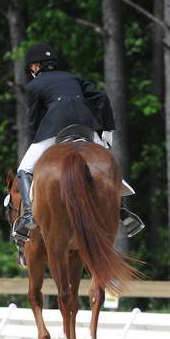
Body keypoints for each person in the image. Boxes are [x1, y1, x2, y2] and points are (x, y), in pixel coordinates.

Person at [13, 42, 144, 239]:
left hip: (55, 128)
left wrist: (36, 142)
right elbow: (102, 97)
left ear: (34, 66)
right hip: (86, 125)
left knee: (24, 169)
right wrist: (107, 129)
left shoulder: (34, 85)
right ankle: (123, 211)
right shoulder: (73, 77)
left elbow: (33, 120)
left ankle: (28, 216)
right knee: (106, 165)